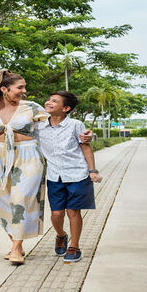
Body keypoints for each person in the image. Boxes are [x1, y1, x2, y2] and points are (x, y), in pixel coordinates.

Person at [0, 69, 92, 265]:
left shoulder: (32, 108)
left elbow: (59, 124)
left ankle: (14, 249)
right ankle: (17, 246)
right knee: (3, 203)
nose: (24, 91)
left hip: (27, 156)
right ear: (4, 89)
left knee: (22, 200)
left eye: (24, 87)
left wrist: (87, 135)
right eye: (20, 87)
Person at [39, 91, 102, 263]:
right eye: (49, 99)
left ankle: (74, 246)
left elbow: (86, 146)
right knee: (56, 214)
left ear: (66, 108)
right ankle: (61, 235)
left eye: (54, 101)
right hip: (54, 176)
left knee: (73, 211)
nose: (49, 102)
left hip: (77, 174)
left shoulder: (75, 124)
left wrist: (93, 170)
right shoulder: (39, 126)